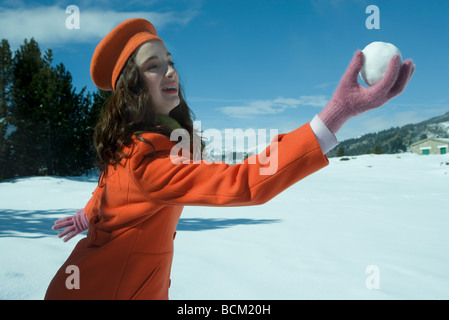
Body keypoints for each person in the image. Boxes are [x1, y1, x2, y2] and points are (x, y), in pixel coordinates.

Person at [44, 18, 415, 300]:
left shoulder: (133, 144)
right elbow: (245, 182)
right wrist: (336, 113)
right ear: (132, 88)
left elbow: (111, 187)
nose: (170, 70)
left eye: (169, 61)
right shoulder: (149, 160)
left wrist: (89, 214)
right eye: (153, 66)